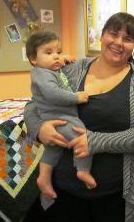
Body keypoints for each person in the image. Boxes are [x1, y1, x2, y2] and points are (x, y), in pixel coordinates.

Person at [24, 12, 134, 222]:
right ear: (102, 36)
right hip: (63, 190)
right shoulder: (72, 69)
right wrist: (39, 129)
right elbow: (34, 104)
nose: (118, 42)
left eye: (128, 39)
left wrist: (94, 141)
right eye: (113, 34)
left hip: (113, 194)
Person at [25, 31, 97, 202]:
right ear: (34, 59)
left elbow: (56, 68)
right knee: (83, 138)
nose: (56, 57)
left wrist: (61, 57)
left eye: (58, 51)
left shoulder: (48, 70)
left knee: (53, 148)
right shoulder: (41, 74)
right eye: (49, 53)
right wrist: (77, 97)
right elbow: (53, 94)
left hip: (57, 118)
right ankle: (83, 170)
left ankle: (44, 177)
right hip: (61, 117)